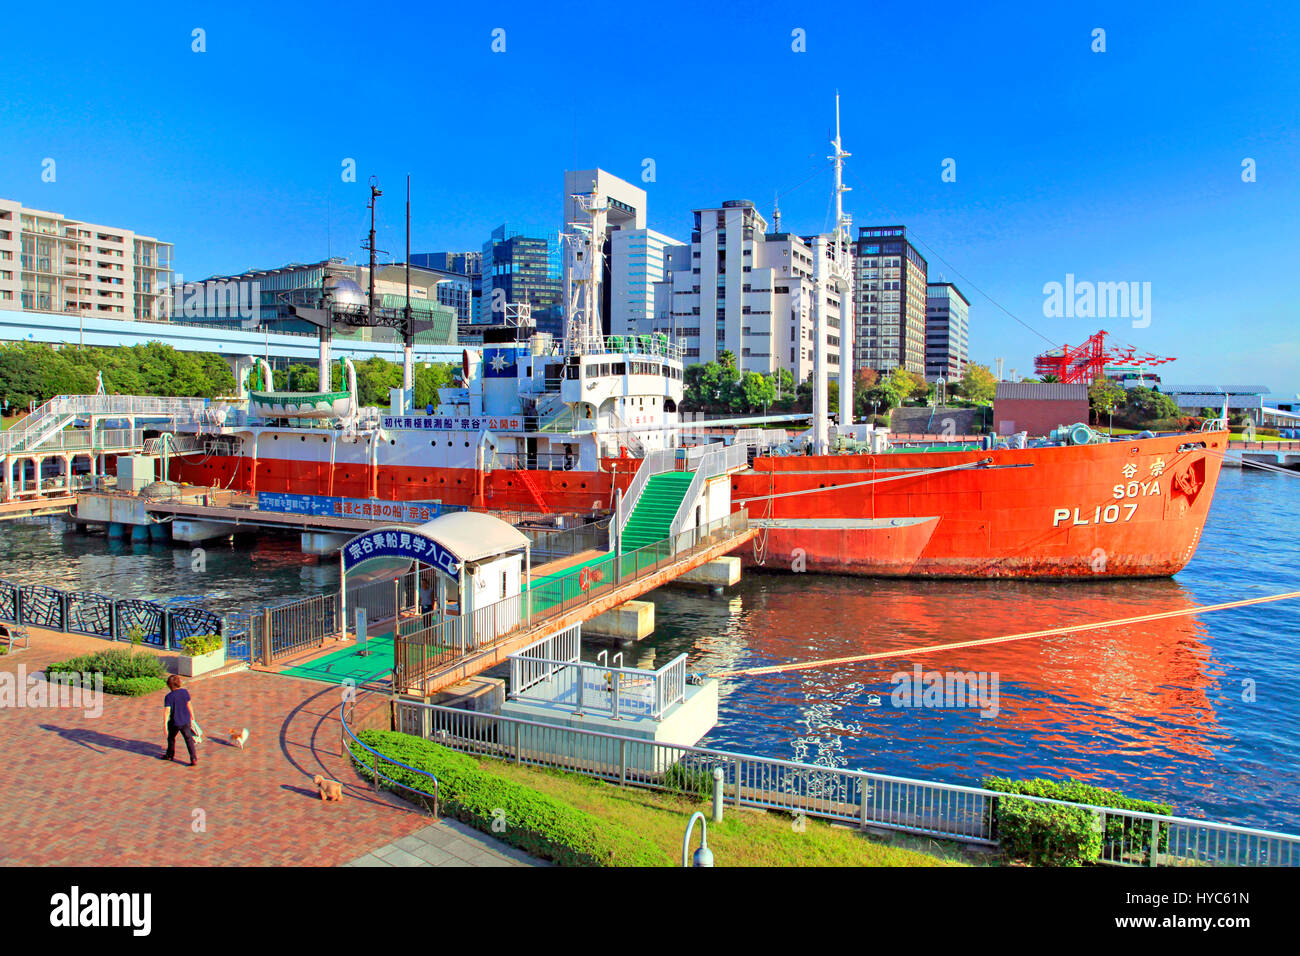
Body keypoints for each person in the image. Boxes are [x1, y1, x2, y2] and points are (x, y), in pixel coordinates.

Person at [159, 674, 198, 766]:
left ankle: (170, 755)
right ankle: (193, 758)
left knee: (171, 738)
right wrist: (192, 716)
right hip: (185, 720)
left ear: (169, 685)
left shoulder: (169, 697)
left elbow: (167, 711)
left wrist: (165, 725)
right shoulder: (185, 692)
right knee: (189, 739)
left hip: (174, 722)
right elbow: (189, 705)